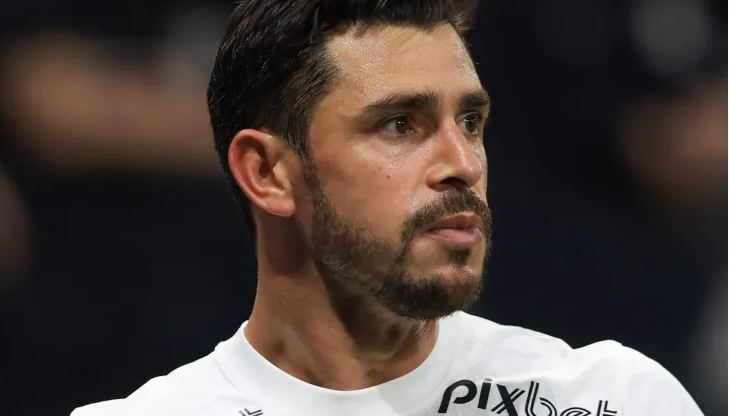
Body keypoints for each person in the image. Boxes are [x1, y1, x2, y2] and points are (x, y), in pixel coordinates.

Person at [71, 1, 704, 415]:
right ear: (267, 174)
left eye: (472, 120)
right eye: (400, 124)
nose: (464, 161)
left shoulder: (611, 400)